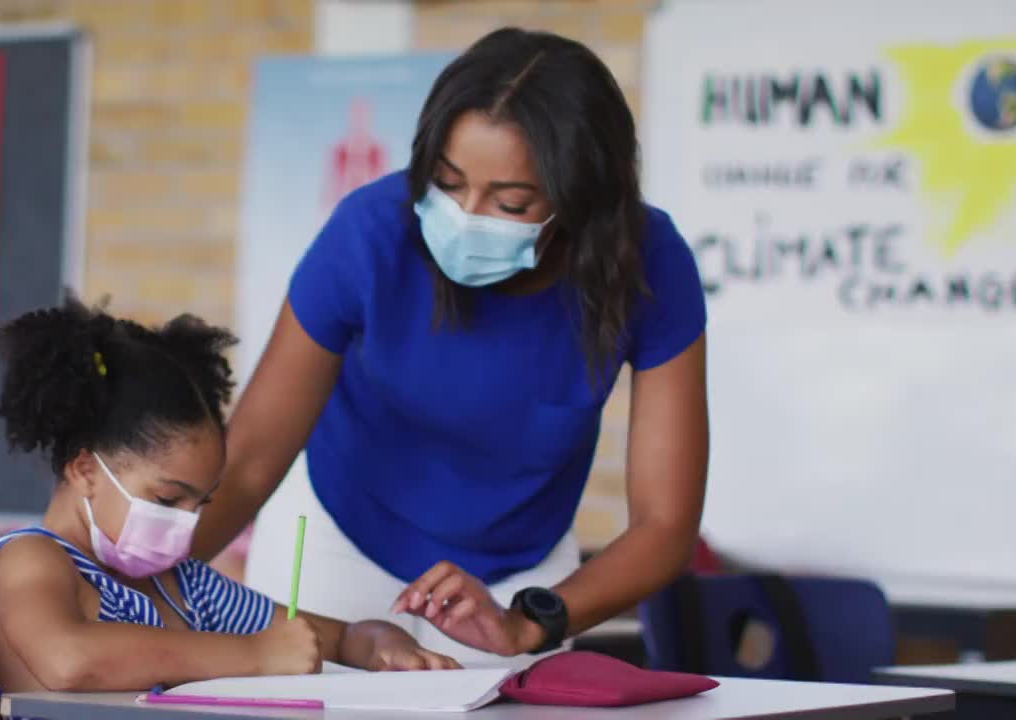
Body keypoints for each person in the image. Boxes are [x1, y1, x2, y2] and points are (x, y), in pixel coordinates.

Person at [193, 27, 709, 667]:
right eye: (448, 181)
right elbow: (246, 464)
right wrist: (134, 587)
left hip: (518, 579)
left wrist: (531, 622)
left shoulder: (648, 264)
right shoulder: (371, 232)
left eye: (511, 201)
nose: (466, 215)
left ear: (582, 200)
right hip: (337, 543)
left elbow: (664, 525)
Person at [0, 297, 458, 704]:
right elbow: (69, 660)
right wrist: (256, 657)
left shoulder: (180, 585)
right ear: (85, 470)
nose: (187, 524)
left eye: (200, 505)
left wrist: (382, 644)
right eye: (167, 498)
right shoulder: (30, 559)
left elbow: (333, 638)